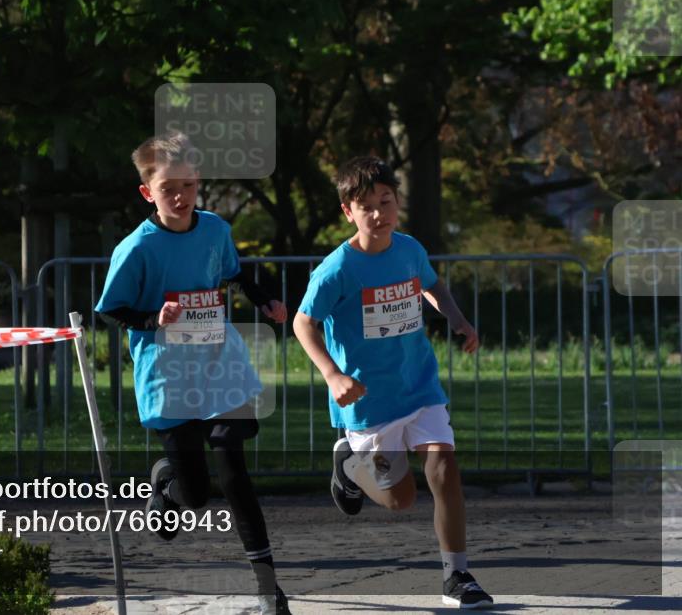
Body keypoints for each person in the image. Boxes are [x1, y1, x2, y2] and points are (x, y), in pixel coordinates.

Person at [95, 132, 292, 615]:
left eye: (188, 185)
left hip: (219, 364)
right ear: (148, 193)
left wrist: (264, 299)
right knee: (197, 496)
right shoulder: (136, 248)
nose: (180, 197)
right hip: (168, 375)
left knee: (234, 469)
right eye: (168, 189)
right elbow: (111, 309)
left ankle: (268, 589)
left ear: (199, 181)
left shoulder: (215, 230)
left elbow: (234, 274)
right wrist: (149, 319)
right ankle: (168, 483)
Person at [292, 156, 493, 609]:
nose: (379, 213)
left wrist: (457, 319)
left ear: (398, 202)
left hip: (419, 385)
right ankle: (348, 466)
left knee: (445, 470)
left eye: (386, 201)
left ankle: (457, 577)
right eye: (367, 206)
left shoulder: (408, 249)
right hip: (368, 401)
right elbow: (304, 324)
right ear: (348, 212)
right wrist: (333, 374)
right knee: (400, 500)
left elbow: (431, 284)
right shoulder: (336, 269)